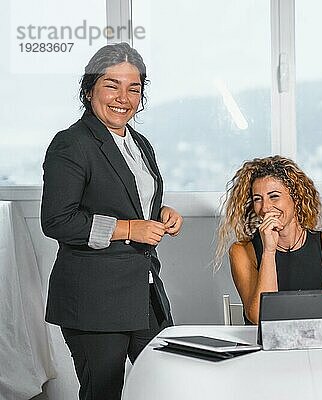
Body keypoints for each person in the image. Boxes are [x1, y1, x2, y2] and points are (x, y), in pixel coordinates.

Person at [41, 42, 183, 400]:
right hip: (94, 299)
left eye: (134, 88)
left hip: (144, 292)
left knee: (168, 384)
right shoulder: (71, 144)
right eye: (112, 85)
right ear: (89, 90)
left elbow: (132, 201)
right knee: (103, 394)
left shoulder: (139, 143)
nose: (124, 97)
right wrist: (129, 229)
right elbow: (58, 220)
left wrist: (161, 215)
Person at [215, 155, 322, 324]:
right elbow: (259, 318)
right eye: (258, 199)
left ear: (296, 198)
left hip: (315, 345)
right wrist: (269, 251)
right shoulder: (241, 251)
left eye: (274, 196)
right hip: (262, 348)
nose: (265, 208)